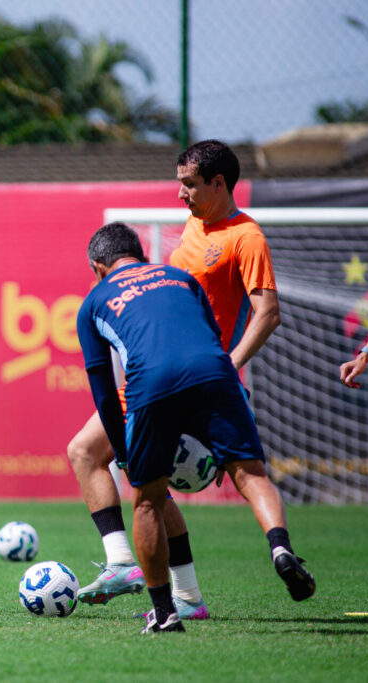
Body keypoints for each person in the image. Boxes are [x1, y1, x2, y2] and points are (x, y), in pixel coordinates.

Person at [68, 140, 280, 620]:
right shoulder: (194, 223)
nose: (180, 193)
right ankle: (179, 594)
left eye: (188, 184)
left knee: (121, 470)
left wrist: (228, 367)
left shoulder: (245, 236)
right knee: (106, 464)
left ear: (218, 184)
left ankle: (136, 570)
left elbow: (267, 312)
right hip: (154, 370)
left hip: (194, 375)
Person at [77, 222, 315, 634]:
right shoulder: (181, 278)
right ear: (140, 253)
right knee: (252, 475)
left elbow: (104, 393)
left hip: (151, 382)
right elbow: (207, 343)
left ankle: (164, 612)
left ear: (98, 267)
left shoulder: (94, 302)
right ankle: (280, 547)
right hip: (217, 373)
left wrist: (126, 455)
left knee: (147, 501)